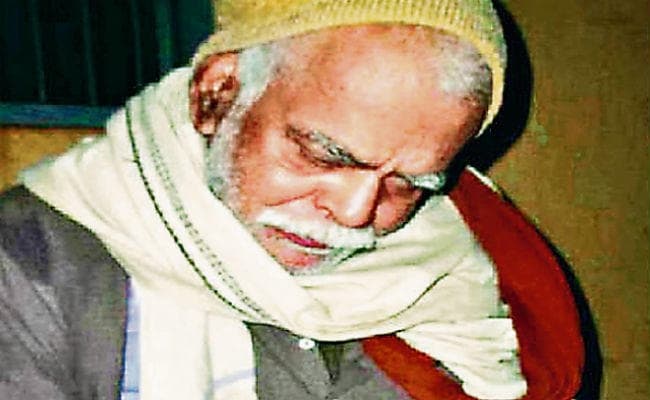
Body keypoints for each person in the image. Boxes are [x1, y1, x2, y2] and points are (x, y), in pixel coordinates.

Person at [0, 0, 585, 399]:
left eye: (410, 183)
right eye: (325, 155)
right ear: (217, 94)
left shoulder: (467, 276)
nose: (355, 214)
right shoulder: (29, 269)